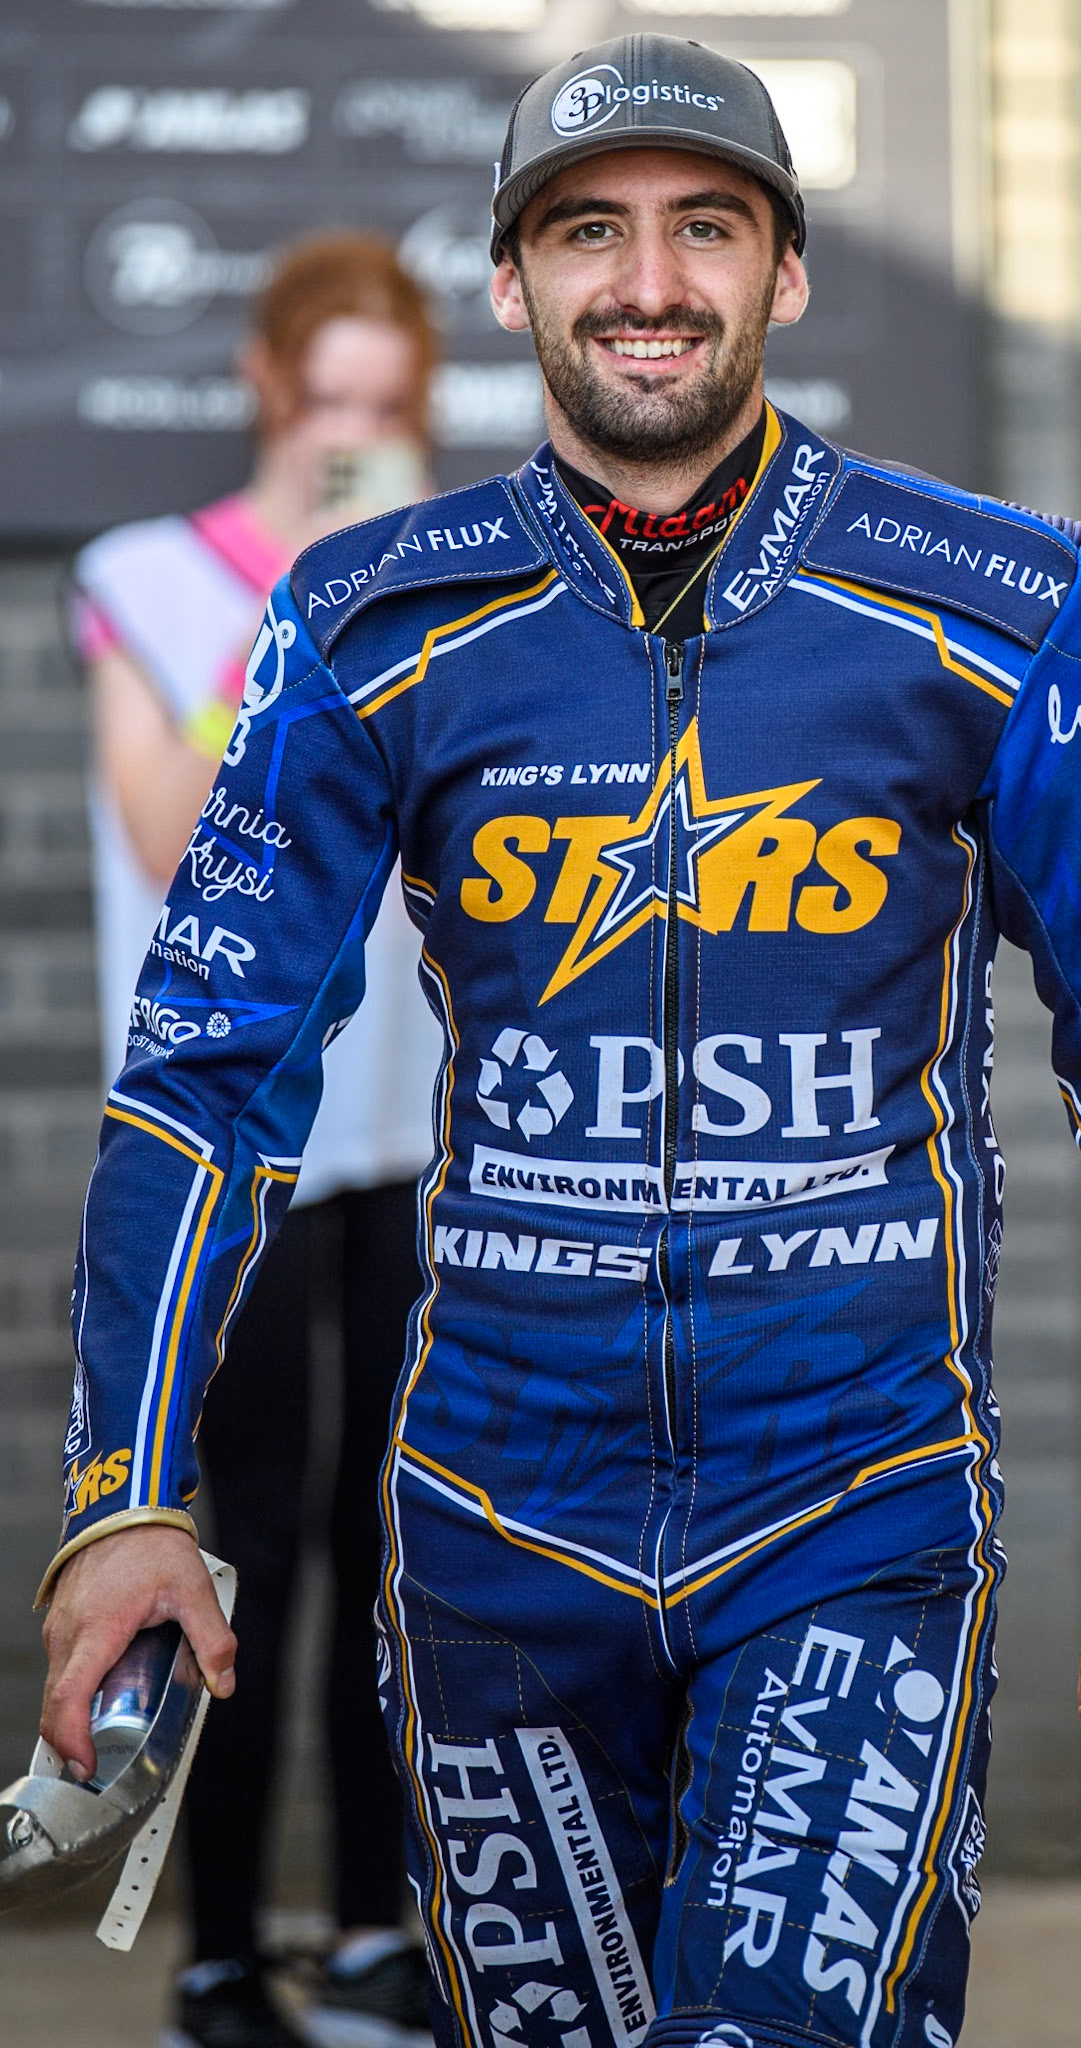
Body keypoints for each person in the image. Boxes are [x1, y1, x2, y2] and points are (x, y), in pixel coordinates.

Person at [41, 36, 1081, 2048]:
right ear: (509, 286)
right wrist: (129, 1491)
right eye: (586, 230)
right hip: (497, 1524)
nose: (648, 278)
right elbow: (203, 1069)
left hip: (851, 1495)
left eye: (707, 224)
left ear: (783, 272)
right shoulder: (368, 621)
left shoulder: (1001, 601)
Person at [69, 233, 444, 2048]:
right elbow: (166, 837)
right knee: (242, 1549)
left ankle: (374, 1935)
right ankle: (223, 1959)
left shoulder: (429, 589)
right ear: (267, 385)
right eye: (331, 399)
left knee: (396, 1542)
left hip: (405, 1137)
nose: (358, 430)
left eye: (392, 405)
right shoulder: (146, 580)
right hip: (241, 1154)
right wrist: (293, 602)